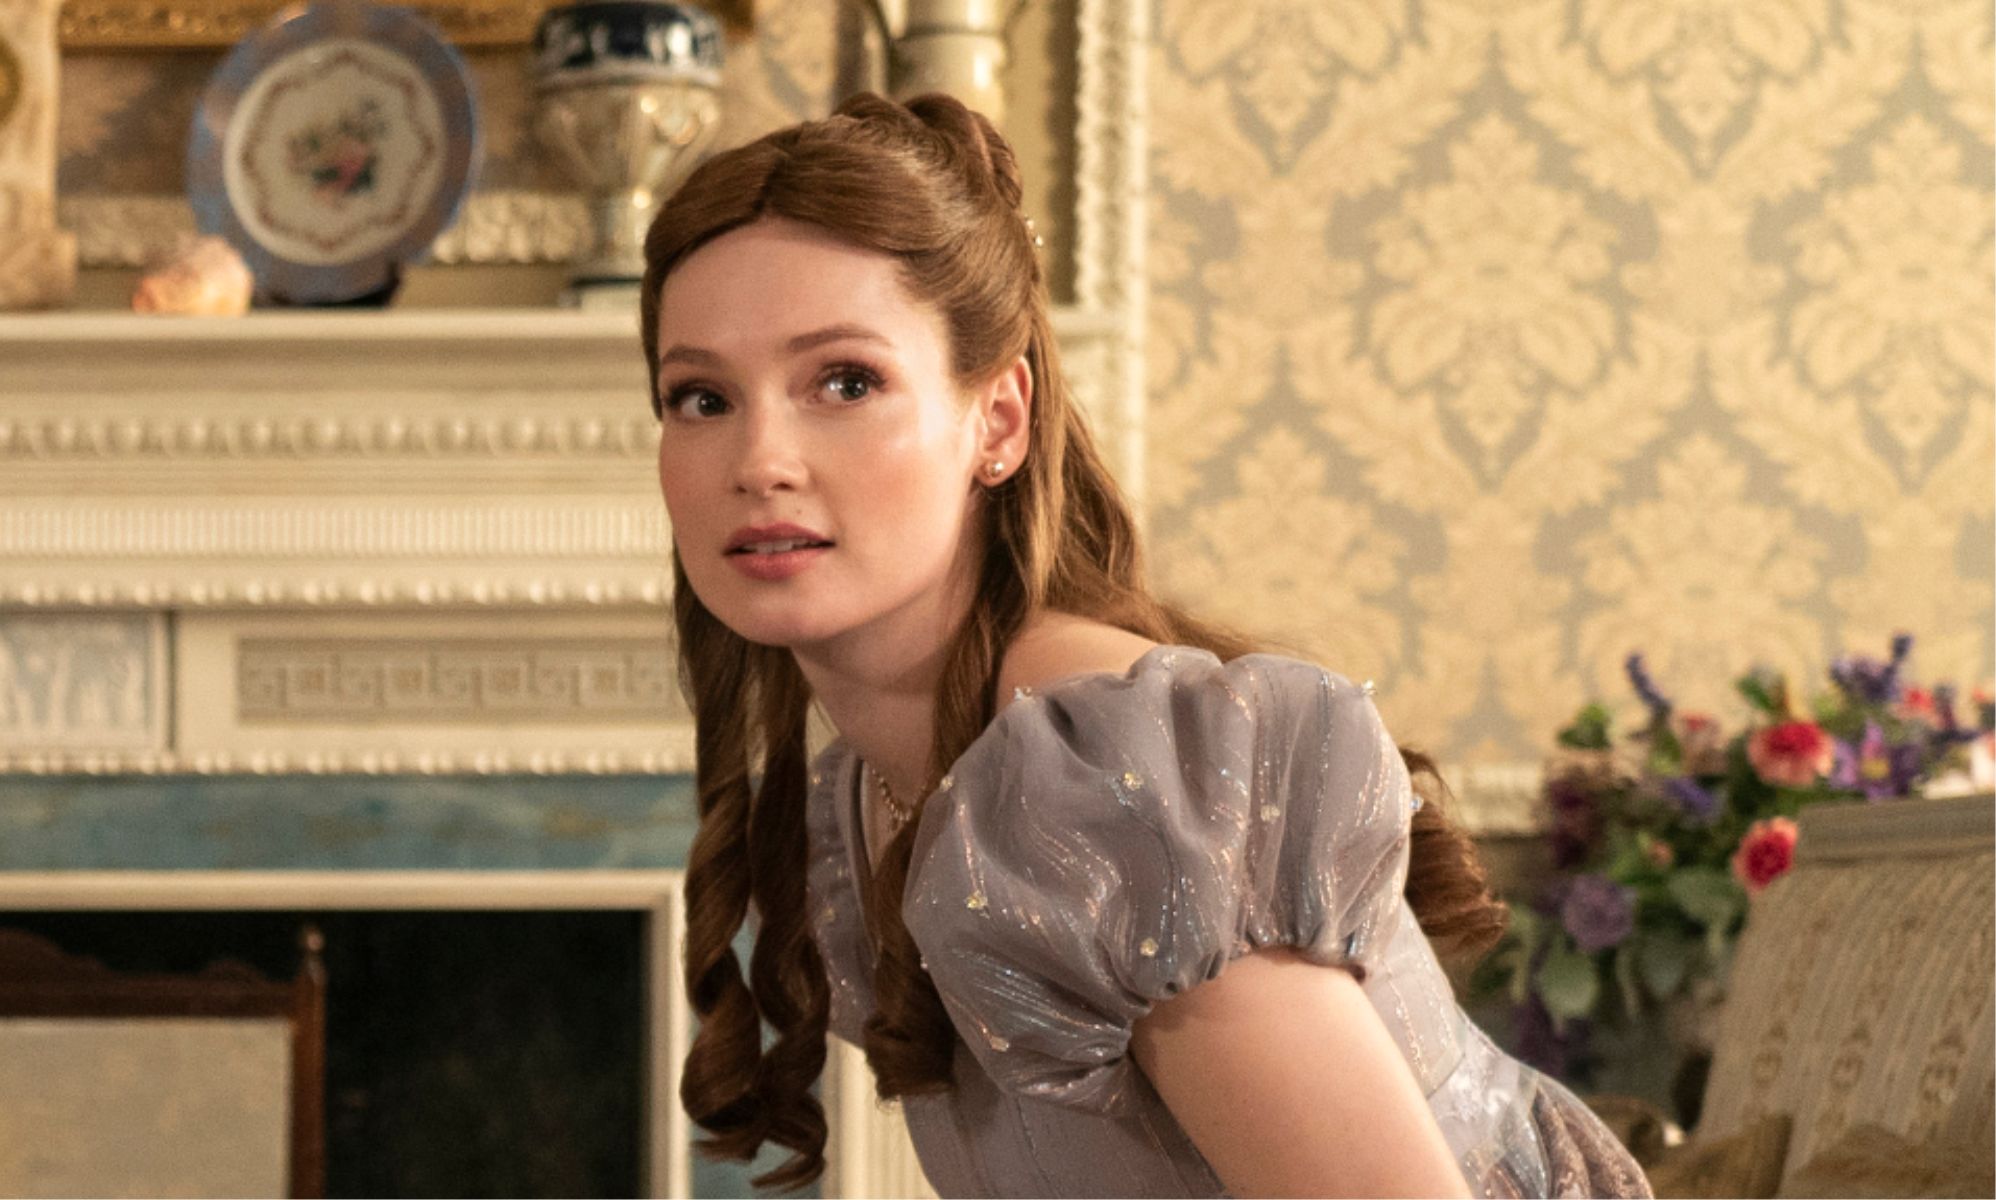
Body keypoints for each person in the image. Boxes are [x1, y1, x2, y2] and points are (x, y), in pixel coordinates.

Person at [642, 91, 1652, 1198]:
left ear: (999, 420)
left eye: (846, 382)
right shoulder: (863, 799)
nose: (760, 460)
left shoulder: (1112, 779)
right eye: (701, 398)